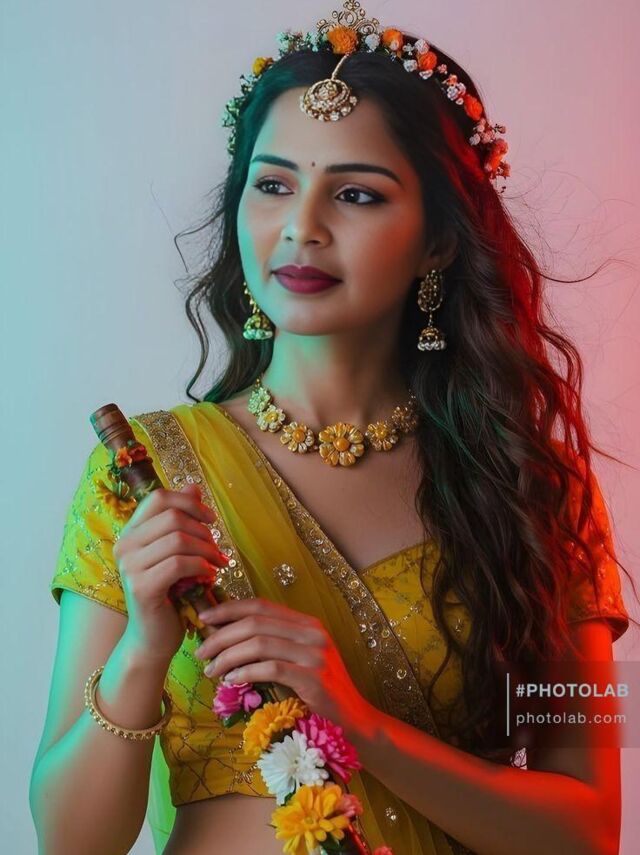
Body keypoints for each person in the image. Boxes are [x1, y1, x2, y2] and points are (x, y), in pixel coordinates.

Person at [30, 4, 635, 855]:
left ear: (438, 242)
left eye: (356, 194)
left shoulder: (538, 491)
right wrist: (142, 647)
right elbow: (67, 839)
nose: (301, 226)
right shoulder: (145, 477)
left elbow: (591, 827)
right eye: (273, 184)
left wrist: (361, 725)